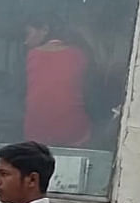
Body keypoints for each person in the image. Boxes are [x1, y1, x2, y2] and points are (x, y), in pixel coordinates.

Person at [22, 17, 91, 148]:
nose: (25, 41)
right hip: (76, 135)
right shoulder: (80, 55)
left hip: (35, 137)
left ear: (45, 29)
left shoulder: (30, 56)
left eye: (27, 34)